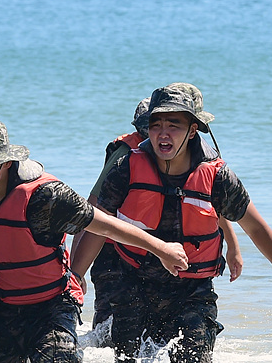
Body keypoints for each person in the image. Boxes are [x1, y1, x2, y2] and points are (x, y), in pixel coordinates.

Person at [0, 119, 189, 363]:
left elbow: (103, 224)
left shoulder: (46, 197)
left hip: (50, 308)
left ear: (5, 163)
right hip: (0, 310)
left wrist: (161, 248)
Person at [71, 83, 272, 363]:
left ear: (193, 130)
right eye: (156, 125)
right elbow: (97, 224)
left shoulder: (217, 176)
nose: (163, 133)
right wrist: (75, 276)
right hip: (134, 283)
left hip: (192, 290)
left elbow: (253, 224)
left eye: (174, 125)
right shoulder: (126, 167)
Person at [69, 97, 244, 337]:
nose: (160, 137)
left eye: (171, 126)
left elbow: (208, 205)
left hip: (166, 257)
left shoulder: (192, 158)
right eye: (152, 128)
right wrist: (76, 271)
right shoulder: (126, 158)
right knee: (110, 325)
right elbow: (94, 209)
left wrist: (233, 246)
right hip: (114, 252)